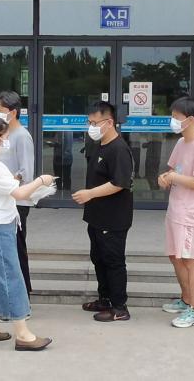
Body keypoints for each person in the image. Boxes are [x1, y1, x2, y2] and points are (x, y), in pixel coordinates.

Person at [0, 118, 54, 351]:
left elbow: (10, 190)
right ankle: (23, 334)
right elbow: (18, 194)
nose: (7, 140)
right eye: (5, 136)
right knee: (11, 277)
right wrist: (41, 181)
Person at [74, 101, 135, 322]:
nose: (91, 127)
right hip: (97, 216)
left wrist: (90, 194)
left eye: (94, 123)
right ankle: (105, 299)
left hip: (113, 217)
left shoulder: (119, 149)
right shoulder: (98, 145)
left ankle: (119, 307)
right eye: (89, 122)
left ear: (109, 122)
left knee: (113, 261)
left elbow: (119, 183)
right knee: (98, 258)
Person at [158, 97, 194, 328]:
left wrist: (173, 177)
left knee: (191, 260)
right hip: (176, 209)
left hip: (191, 213)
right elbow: (174, 169)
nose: (172, 121)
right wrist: (165, 176)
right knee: (175, 256)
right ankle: (186, 299)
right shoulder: (182, 142)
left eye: (176, 117)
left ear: (190, 119)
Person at [0, 91, 36, 297]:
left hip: (17, 201)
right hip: (3, 199)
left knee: (16, 249)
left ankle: (22, 293)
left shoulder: (22, 136)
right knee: (6, 250)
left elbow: (26, 172)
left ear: (13, 112)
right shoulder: (3, 134)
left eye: (0, 110)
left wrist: (8, 180)